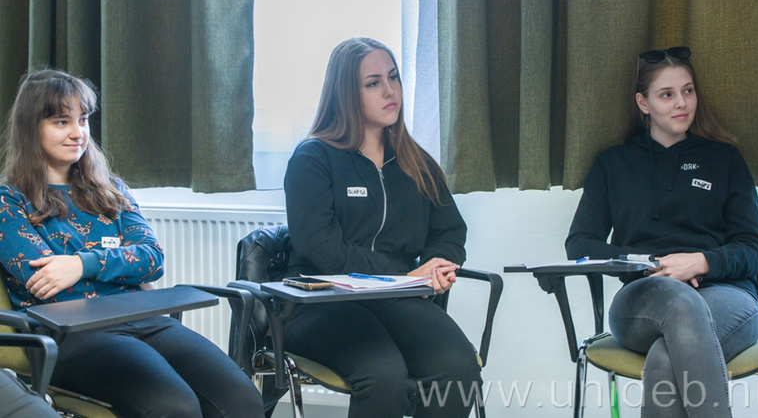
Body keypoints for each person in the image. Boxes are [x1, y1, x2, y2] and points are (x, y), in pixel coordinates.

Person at [0, 70, 263, 418]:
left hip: (144, 318)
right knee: (174, 406)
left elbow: (152, 259)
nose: (78, 133)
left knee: (242, 398)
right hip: (73, 335)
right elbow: (45, 281)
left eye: (83, 120)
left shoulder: (111, 189)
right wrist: (123, 269)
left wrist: (80, 265)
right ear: (31, 128)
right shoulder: (8, 200)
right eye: (62, 122)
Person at [283, 37, 482, 418]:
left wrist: (438, 264)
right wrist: (402, 276)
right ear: (346, 93)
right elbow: (321, 249)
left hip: (393, 300)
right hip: (321, 303)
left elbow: (449, 231)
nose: (390, 91)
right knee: (384, 377)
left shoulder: (415, 163)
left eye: (393, 77)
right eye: (373, 83)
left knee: (459, 370)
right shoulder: (313, 158)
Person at [565, 46, 758, 417]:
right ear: (643, 103)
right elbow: (580, 244)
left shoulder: (724, 159)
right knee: (679, 305)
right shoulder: (613, 164)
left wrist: (700, 262)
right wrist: (649, 263)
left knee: (663, 359)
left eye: (688, 91)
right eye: (667, 94)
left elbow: (754, 248)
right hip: (644, 298)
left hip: (728, 296)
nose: (682, 103)